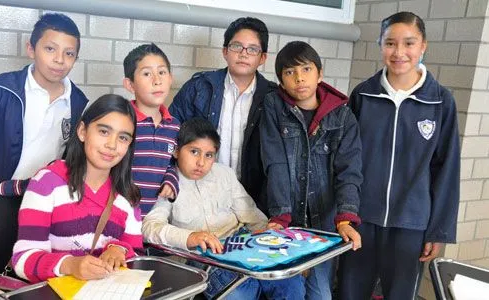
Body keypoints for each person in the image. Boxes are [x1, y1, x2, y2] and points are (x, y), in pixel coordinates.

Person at [337, 11, 460, 300]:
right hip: (361, 220)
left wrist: (438, 230)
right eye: (390, 43)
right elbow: (346, 160)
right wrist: (344, 213)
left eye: (409, 43)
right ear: (380, 45)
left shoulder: (440, 101)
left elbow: (447, 168)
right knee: (350, 292)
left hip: (412, 223)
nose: (399, 52)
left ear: (423, 46)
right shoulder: (363, 95)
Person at [142, 118, 306, 300]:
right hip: (202, 257)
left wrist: (268, 232)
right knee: (241, 293)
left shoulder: (224, 174)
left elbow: (250, 213)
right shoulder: (167, 182)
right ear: (177, 151)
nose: (201, 162)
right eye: (194, 152)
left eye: (209, 155)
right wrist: (189, 237)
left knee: (291, 282)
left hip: (242, 244)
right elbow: (150, 227)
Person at [260, 41, 363, 299]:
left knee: (321, 294)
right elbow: (276, 162)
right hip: (284, 220)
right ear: (281, 81)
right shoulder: (275, 107)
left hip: (323, 225)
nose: (299, 78)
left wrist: (346, 217)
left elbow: (349, 171)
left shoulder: (342, 116)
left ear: (320, 73)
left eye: (306, 69)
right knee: (287, 290)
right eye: (289, 72)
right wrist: (281, 216)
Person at [12, 94, 142, 283]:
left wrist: (118, 250)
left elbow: (135, 254)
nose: (112, 145)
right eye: (104, 132)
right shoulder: (48, 182)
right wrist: (70, 265)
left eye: (123, 138)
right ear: (82, 131)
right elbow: (22, 259)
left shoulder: (128, 196)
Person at [0, 13, 88, 201]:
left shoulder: (77, 101)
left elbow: (69, 158)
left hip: (44, 199)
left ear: (75, 58)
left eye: (69, 53)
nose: (59, 59)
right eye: (50, 49)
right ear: (31, 49)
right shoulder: (3, 89)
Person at [169, 17, 277, 214]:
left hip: (255, 198)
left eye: (252, 49)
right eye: (237, 46)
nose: (244, 54)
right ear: (225, 51)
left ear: (262, 58)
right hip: (199, 193)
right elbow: (170, 136)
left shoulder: (274, 98)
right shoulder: (198, 88)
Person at [122, 43, 180, 217]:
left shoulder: (174, 125)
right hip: (121, 216)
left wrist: (171, 180)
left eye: (162, 72)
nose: (157, 80)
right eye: (147, 74)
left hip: (155, 220)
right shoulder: (123, 122)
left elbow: (172, 162)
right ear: (130, 85)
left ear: (170, 78)